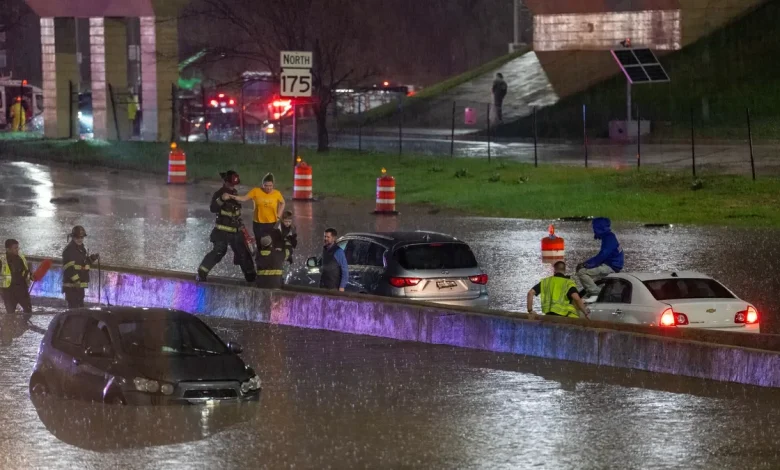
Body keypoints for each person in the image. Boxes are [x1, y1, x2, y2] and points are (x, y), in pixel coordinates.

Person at [197, 170, 256, 283]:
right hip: (222, 231)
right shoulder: (220, 193)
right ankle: (201, 273)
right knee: (219, 251)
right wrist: (221, 199)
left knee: (244, 254)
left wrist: (242, 229)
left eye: (233, 184)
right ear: (225, 182)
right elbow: (213, 208)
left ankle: (251, 278)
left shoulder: (235, 193)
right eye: (230, 184)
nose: (232, 186)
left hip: (236, 231)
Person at [229, 172, 285, 250]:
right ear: (262, 185)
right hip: (258, 224)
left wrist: (279, 215)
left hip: (272, 223)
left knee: (271, 245)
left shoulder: (277, 193)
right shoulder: (256, 191)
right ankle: (260, 260)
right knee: (260, 245)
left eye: (270, 186)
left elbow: (282, 203)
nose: (268, 188)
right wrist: (230, 196)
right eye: (266, 186)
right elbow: (243, 198)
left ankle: (271, 261)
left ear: (273, 185)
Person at [576, 217, 624, 297]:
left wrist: (586, 265)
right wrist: (587, 263)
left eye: (594, 227)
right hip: (612, 265)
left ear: (599, 228)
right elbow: (602, 256)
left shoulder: (608, 239)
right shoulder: (610, 237)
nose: (593, 230)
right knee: (591, 275)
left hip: (610, 267)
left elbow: (602, 255)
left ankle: (597, 294)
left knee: (581, 272)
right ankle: (595, 292)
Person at [62, 226, 99, 309]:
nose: (80, 239)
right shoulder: (69, 250)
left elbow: (84, 265)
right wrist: (77, 280)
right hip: (71, 287)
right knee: (73, 311)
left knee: (80, 311)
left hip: (79, 286)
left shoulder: (82, 249)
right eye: (77, 237)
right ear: (73, 237)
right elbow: (69, 269)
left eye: (81, 237)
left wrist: (92, 258)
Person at [0, 239, 33, 315]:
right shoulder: (2, 260)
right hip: (8, 292)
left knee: (28, 312)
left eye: (18, 247)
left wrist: (30, 276)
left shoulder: (21, 257)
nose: (17, 249)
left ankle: (25, 325)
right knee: (10, 314)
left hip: (22, 290)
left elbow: (25, 271)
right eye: (15, 248)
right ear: (8, 249)